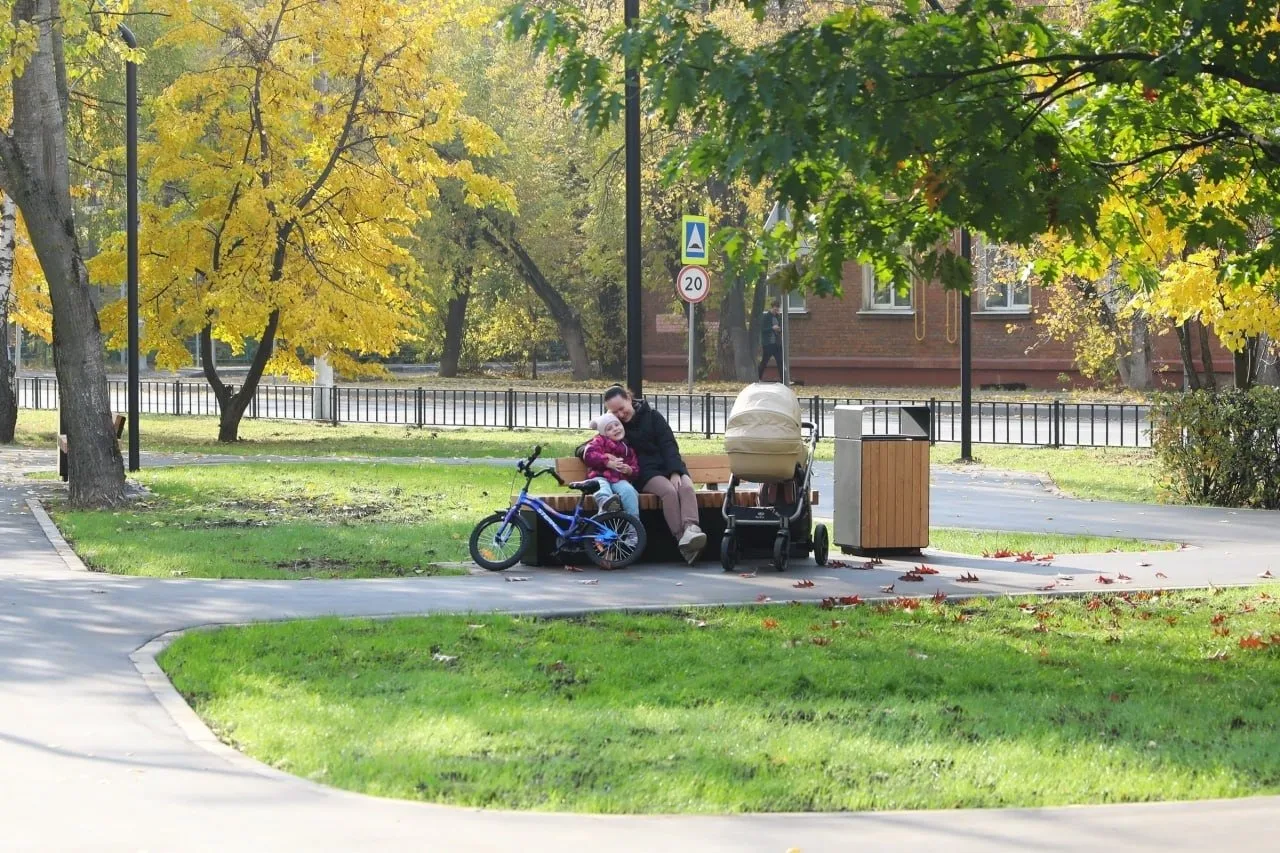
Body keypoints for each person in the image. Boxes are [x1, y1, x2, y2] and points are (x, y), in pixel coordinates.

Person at [600, 385, 706, 563]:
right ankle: (681, 539)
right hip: (645, 472)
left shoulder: (653, 416)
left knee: (686, 487)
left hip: (669, 465)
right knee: (669, 492)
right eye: (614, 412)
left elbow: (669, 444)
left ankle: (691, 530)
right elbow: (590, 445)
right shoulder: (616, 427)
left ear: (629, 399)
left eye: (622, 408)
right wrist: (598, 456)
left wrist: (675, 472)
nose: (620, 414)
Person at [581, 412, 641, 518]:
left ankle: (634, 522)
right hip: (600, 476)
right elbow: (589, 455)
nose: (615, 429)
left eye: (617, 425)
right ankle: (605, 506)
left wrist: (629, 470)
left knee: (629, 491)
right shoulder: (599, 441)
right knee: (602, 487)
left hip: (619, 479)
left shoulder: (627, 447)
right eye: (609, 428)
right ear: (604, 433)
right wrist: (607, 462)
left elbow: (635, 467)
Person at [758, 298, 782, 380]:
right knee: (764, 362)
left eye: (777, 309)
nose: (776, 311)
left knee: (780, 361)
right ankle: (758, 378)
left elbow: (780, 327)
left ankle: (783, 380)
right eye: (775, 309)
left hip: (777, 343)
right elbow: (763, 330)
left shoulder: (778, 317)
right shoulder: (766, 317)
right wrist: (772, 328)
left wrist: (779, 329)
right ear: (772, 308)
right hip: (768, 344)